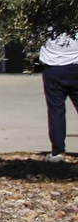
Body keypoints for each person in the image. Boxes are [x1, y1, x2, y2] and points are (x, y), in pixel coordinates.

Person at [39, 33, 78, 162]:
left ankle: (58, 151)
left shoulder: (44, 24)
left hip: (53, 70)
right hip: (75, 67)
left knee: (56, 111)